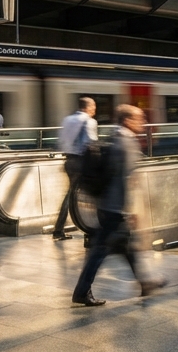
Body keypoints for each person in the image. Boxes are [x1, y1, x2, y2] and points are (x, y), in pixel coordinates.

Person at [72, 104, 163, 306]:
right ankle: (81, 292)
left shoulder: (114, 139)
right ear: (127, 121)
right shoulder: (126, 143)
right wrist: (129, 210)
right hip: (114, 208)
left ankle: (145, 282)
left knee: (126, 248)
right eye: (139, 119)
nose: (143, 123)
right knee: (99, 252)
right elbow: (125, 180)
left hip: (107, 205)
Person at [54, 97, 99, 241]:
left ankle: (58, 229)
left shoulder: (67, 120)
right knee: (94, 192)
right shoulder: (89, 121)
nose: (94, 110)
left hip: (69, 161)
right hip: (81, 162)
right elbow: (90, 143)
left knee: (71, 194)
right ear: (87, 107)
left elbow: (61, 141)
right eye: (93, 107)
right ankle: (94, 226)